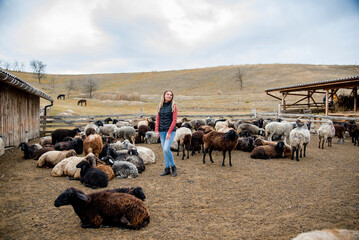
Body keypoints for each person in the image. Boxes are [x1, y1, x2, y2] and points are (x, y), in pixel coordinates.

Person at [155, 89, 178, 177]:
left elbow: (174, 120)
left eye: (171, 95)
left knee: (166, 149)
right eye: (167, 94)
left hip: (170, 131)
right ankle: (167, 169)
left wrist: (169, 132)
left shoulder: (173, 106)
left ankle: (173, 167)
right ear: (164, 95)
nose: (169, 96)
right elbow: (157, 119)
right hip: (161, 131)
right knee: (165, 151)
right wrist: (156, 130)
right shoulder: (160, 106)